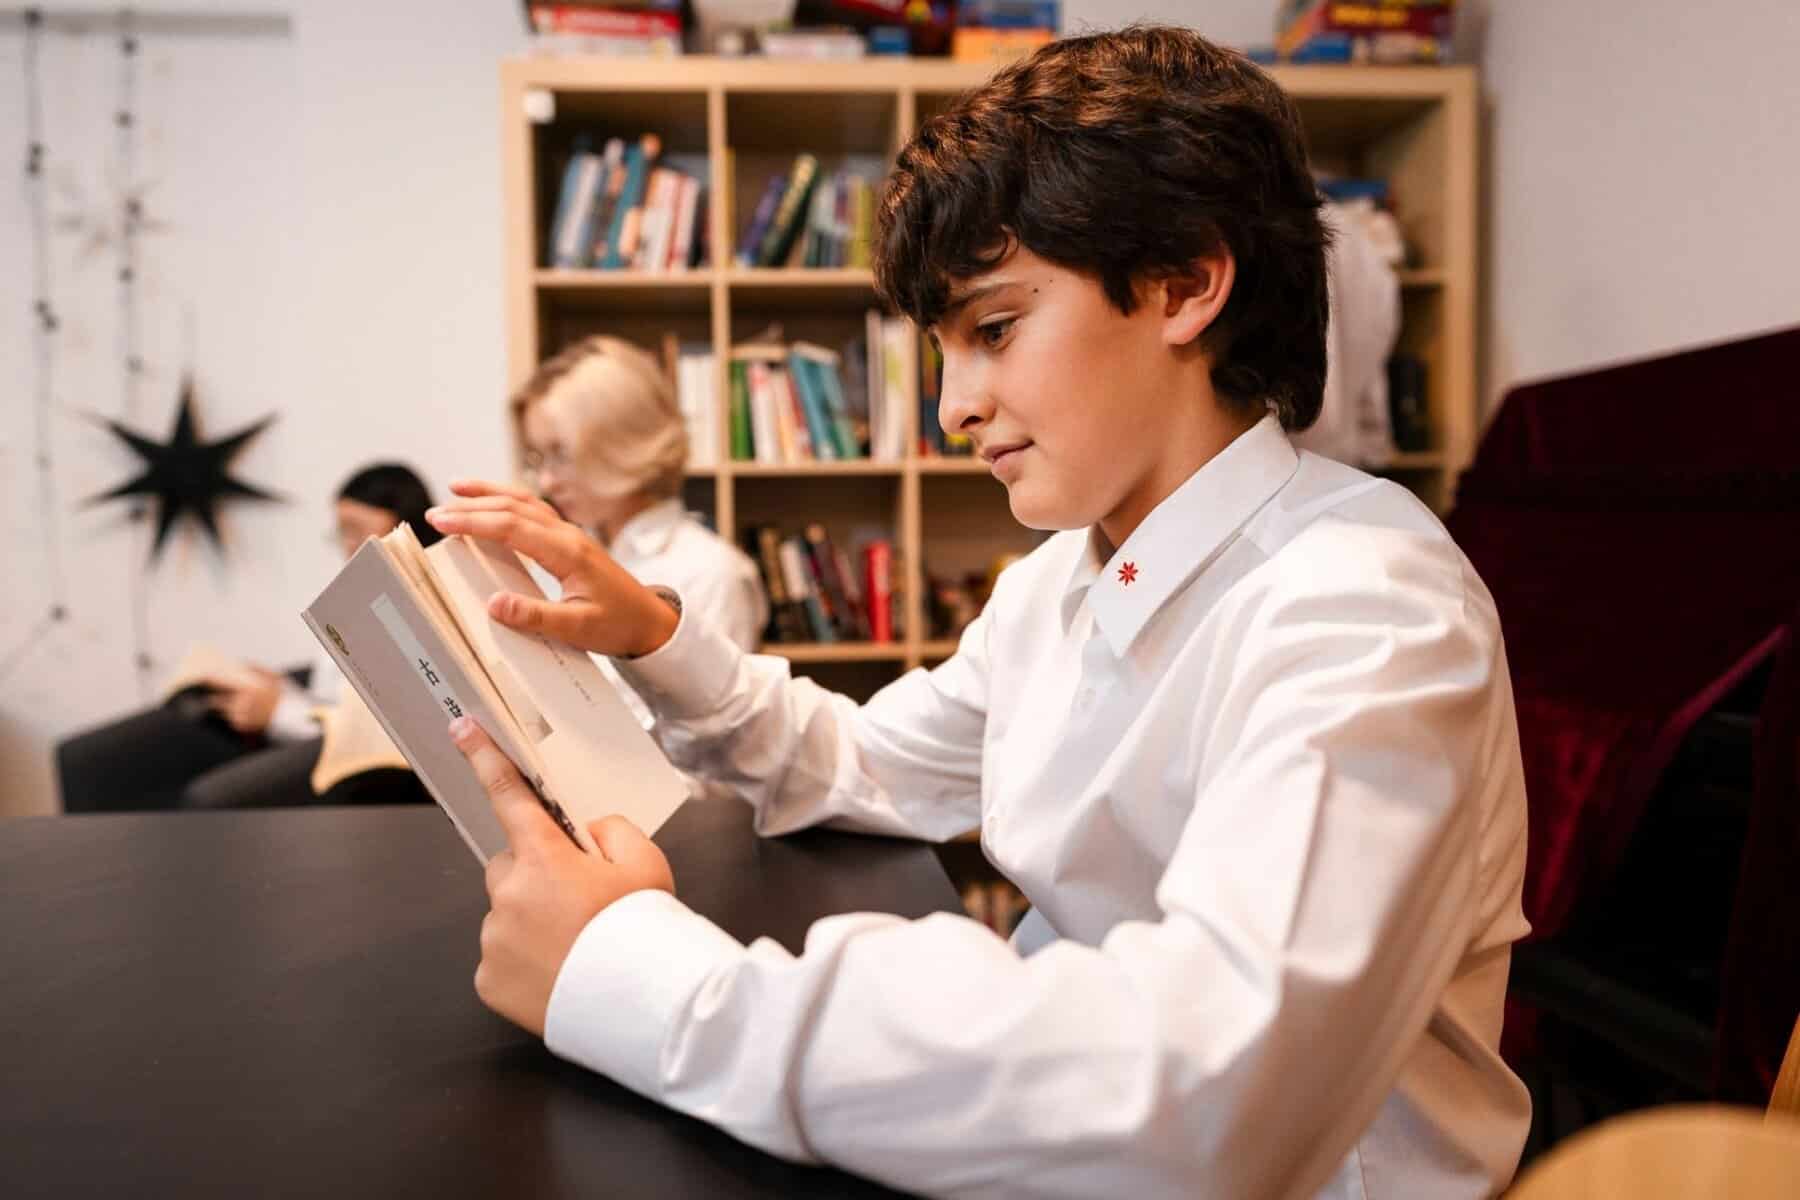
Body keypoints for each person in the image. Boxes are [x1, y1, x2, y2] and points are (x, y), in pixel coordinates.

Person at [426, 27, 1531, 1199]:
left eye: (996, 329)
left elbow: (1209, 1095)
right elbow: (865, 764)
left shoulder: (1368, 607)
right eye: (943, 351)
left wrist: (639, 981)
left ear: (1186, 284)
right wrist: (654, 634)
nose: (954, 409)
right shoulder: (1063, 579)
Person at [57, 463, 439, 812]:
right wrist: (278, 689)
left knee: (211, 798)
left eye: (356, 529)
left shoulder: (413, 608)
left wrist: (278, 711)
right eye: (341, 531)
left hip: (346, 754)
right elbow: (332, 688)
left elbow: (380, 728)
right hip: (307, 720)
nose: (346, 543)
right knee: (96, 763)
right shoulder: (353, 593)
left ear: (402, 523)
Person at [509, 334, 765, 656]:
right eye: (537, 457)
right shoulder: (556, 562)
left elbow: (716, 706)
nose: (546, 482)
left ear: (621, 441)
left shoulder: (711, 573)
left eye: (561, 453)